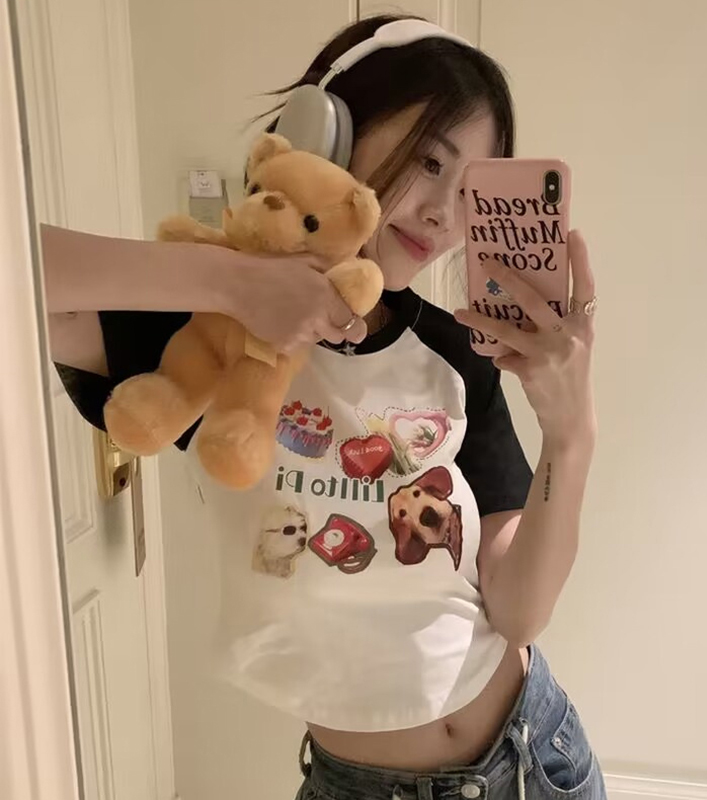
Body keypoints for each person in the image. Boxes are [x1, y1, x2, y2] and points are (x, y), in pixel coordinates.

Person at [42, 14, 603, 800]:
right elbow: (22, 268)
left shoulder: (453, 350)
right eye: (430, 161)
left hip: (534, 758)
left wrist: (571, 436)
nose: (444, 216)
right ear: (329, 130)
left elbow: (519, 611)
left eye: (467, 189)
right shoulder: (204, 333)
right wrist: (232, 282)